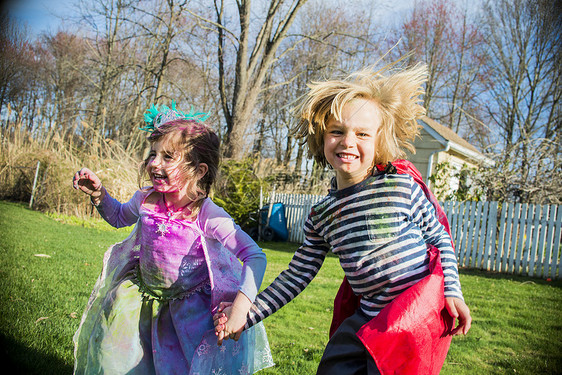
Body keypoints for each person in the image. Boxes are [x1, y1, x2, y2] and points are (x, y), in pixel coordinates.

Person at [214, 63, 472, 374]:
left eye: (362, 134)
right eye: (337, 131)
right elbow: (296, 275)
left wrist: (452, 291)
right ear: (322, 138)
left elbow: (439, 238)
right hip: (366, 318)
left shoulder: (401, 187)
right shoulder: (323, 215)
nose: (348, 141)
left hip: (411, 318)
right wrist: (248, 314)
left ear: (379, 141)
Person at [72, 103, 274, 374]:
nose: (154, 163)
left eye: (168, 157)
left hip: (189, 314)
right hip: (141, 301)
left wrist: (240, 307)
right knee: (121, 362)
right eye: (153, 154)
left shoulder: (207, 215)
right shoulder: (145, 200)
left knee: (178, 366)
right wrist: (99, 195)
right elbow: (119, 218)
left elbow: (254, 256)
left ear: (199, 170)